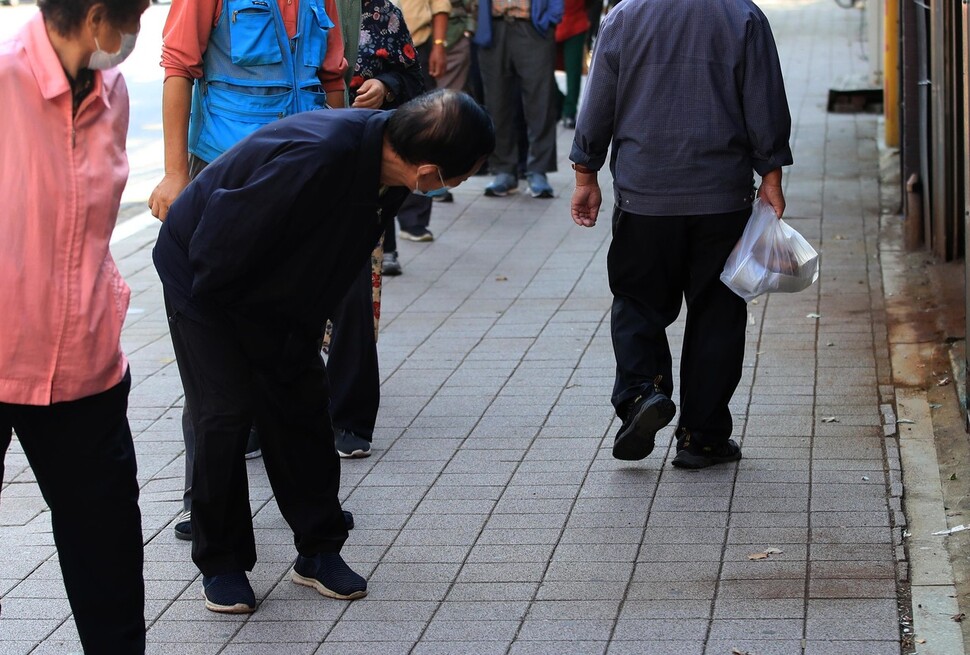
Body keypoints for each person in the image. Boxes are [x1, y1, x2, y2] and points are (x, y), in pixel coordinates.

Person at [153, 89, 494, 613]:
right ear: (428, 171)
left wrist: (302, 328)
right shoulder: (319, 159)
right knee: (224, 410)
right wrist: (248, 342)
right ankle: (221, 562)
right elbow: (220, 245)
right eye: (460, 175)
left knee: (304, 402)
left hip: (275, 288)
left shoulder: (387, 162)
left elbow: (338, 250)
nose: (458, 184)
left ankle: (319, 550)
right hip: (203, 273)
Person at [147, 0, 347, 540]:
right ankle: (201, 499)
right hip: (227, 173)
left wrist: (341, 168)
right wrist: (173, 173)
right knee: (212, 345)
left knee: (294, 345)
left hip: (300, 174)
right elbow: (177, 67)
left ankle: (309, 505)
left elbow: (332, 77)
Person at [569, 0, 792, 469]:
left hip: (645, 196)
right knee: (718, 311)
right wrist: (770, 175)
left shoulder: (625, 16)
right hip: (722, 197)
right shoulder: (743, 16)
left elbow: (598, 100)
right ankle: (703, 437)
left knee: (637, 301)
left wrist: (585, 172)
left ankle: (641, 395)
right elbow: (764, 101)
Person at [0, 0, 150, 651]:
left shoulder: (111, 92)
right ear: (95, 17)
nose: (136, 30)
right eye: (136, 13)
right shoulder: (5, 82)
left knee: (108, 562)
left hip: (86, 364)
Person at [327, 0, 425, 458]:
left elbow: (413, 81)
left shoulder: (380, 12)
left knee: (351, 294)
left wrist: (384, 87)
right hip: (295, 156)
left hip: (359, 169)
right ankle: (257, 413)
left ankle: (348, 415)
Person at [474, 0, 562, 198]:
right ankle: (503, 170)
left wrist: (552, 17)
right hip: (493, 27)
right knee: (496, 103)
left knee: (541, 102)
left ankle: (538, 170)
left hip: (533, 26)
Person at [390, 0, 451, 243]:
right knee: (379, 134)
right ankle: (384, 231)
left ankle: (414, 219)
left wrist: (439, 45)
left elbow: (440, 7)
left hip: (419, 47)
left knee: (423, 133)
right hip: (373, 52)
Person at [554, 0, 588, 128]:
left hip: (576, 23)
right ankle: (561, 103)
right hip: (550, 23)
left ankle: (569, 111)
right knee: (541, 71)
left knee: (573, 72)